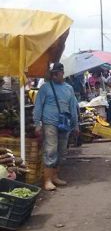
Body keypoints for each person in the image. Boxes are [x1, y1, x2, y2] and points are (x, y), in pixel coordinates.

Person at [33, 63, 79, 191]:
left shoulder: (69, 88)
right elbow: (38, 106)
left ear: (62, 73)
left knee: (61, 150)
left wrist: (76, 125)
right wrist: (37, 123)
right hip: (49, 123)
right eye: (52, 74)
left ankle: (54, 176)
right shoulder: (45, 88)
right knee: (51, 149)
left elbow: (73, 108)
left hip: (65, 124)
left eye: (56, 73)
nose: (54, 76)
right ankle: (47, 180)